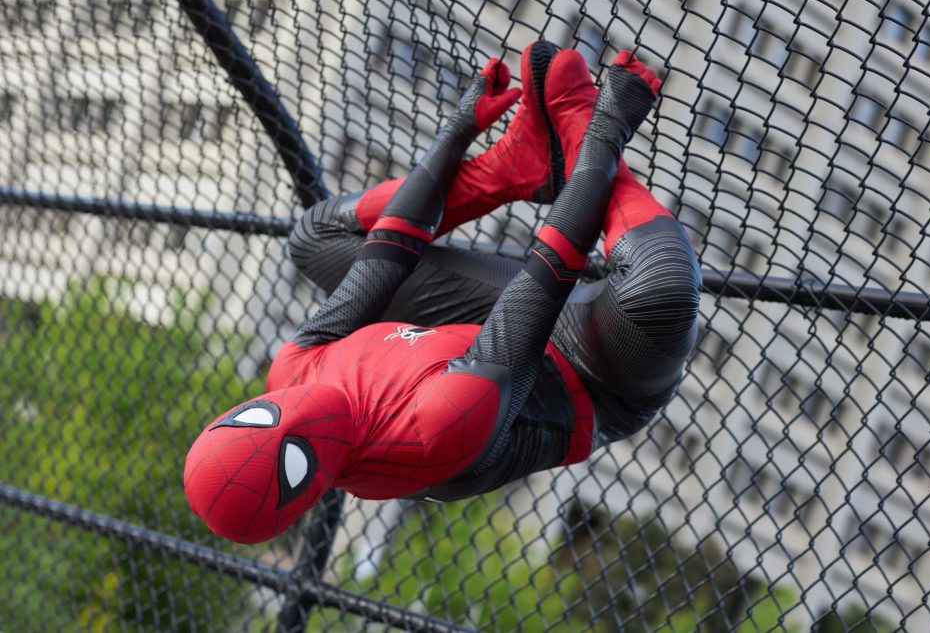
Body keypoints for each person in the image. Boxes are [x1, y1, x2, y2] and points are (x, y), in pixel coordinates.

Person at [184, 42, 701, 543]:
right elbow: (548, 272)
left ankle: (518, 163)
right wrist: (601, 128)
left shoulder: (292, 371)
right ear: (309, 490)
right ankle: (573, 131)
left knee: (318, 236)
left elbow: (388, 249)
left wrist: (459, 129)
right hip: (590, 376)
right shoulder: (430, 434)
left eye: (254, 419)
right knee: (661, 292)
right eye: (289, 459)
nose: (290, 416)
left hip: (473, 331)